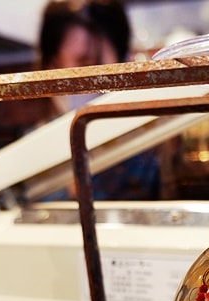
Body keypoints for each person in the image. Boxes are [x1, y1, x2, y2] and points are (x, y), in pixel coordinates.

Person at [37, 0, 161, 201]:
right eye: (85, 64)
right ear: (51, 67)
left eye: (105, 66)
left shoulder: (147, 145)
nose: (101, 81)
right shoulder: (34, 154)